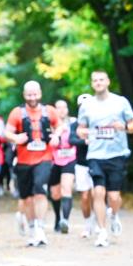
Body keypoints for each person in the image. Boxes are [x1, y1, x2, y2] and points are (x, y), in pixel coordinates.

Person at [76, 71, 133, 247]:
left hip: (117, 154)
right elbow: (80, 129)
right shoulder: (86, 106)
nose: (98, 83)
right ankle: (102, 232)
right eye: (95, 80)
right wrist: (84, 132)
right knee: (98, 193)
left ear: (108, 82)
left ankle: (114, 215)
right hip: (95, 155)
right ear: (92, 84)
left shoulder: (120, 102)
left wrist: (124, 126)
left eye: (101, 79)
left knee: (114, 196)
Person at [6, 81, 58, 247]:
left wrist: (56, 135)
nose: (32, 97)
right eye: (29, 94)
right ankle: (32, 228)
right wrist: (15, 138)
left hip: (44, 158)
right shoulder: (17, 112)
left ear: (40, 94)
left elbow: (60, 125)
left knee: (40, 190)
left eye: (35, 94)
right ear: (24, 95)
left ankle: (40, 228)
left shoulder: (49, 111)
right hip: (23, 161)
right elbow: (6, 131)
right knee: (27, 198)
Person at [47, 99, 77, 233]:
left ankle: (65, 220)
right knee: (55, 193)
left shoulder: (74, 123)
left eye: (64, 107)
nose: (61, 110)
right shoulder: (49, 124)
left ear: (67, 110)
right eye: (58, 108)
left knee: (66, 189)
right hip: (53, 160)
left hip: (70, 159)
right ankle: (57, 218)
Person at [69, 94, 96, 238]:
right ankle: (87, 225)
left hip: (97, 162)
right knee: (85, 196)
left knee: (98, 194)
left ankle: (99, 223)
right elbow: (71, 139)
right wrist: (85, 142)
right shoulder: (75, 124)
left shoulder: (98, 121)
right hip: (81, 164)